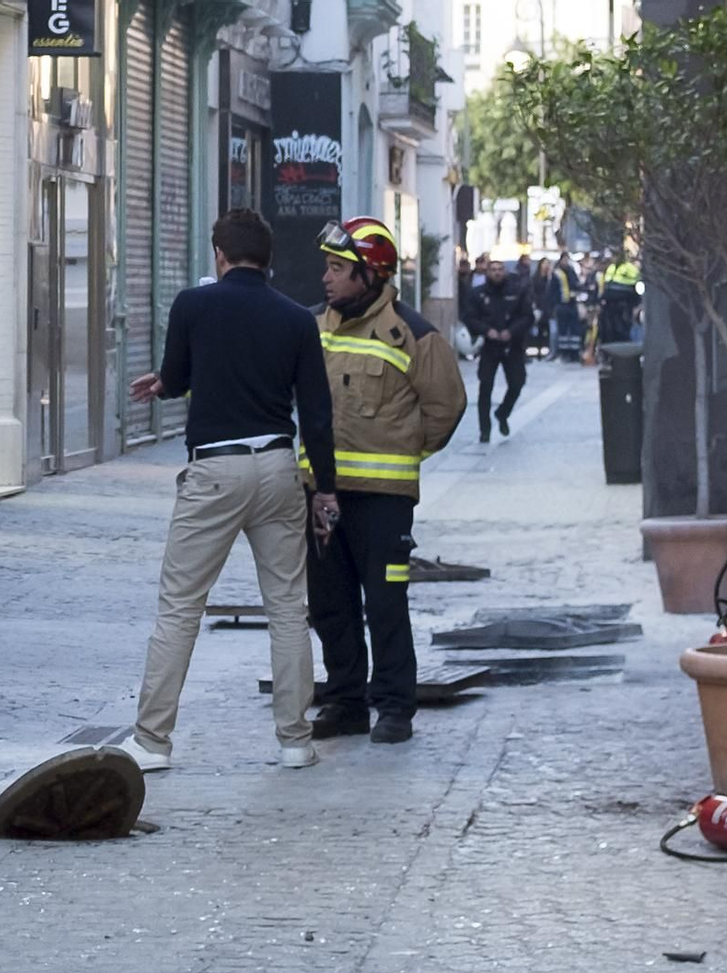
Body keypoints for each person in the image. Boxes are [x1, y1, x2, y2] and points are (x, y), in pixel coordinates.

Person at [116, 208, 337, 772]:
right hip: (277, 465)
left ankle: (152, 740)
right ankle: (295, 741)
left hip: (214, 471)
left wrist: (167, 384)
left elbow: (182, 372)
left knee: (180, 607)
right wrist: (326, 490)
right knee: (288, 606)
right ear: (268, 259)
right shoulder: (296, 319)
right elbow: (316, 413)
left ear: (219, 254)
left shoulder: (194, 304)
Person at [307, 217, 467, 745]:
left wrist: (406, 450)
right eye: (328, 267)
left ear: (370, 275)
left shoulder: (414, 334)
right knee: (330, 603)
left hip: (384, 500)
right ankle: (345, 702)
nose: (327, 279)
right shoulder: (316, 327)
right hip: (321, 494)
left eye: (338, 269)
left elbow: (447, 405)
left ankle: (395, 706)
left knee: (385, 602)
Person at [463, 259, 534, 441]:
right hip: (490, 346)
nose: (497, 273)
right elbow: (470, 318)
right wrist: (487, 331)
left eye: (500, 269)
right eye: (493, 270)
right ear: (487, 273)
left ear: (505, 271)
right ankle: (484, 430)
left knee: (517, 383)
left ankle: (502, 413)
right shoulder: (478, 294)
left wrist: (511, 332)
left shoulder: (516, 292)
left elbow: (527, 316)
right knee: (485, 386)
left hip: (512, 345)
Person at [547, 252, 584, 363]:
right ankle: (564, 353)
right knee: (563, 330)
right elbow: (552, 291)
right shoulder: (557, 274)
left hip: (572, 305)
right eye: (564, 260)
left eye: (567, 260)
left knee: (574, 330)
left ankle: (574, 353)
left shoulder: (572, 272)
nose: (566, 262)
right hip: (561, 305)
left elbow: (577, 285)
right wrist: (554, 304)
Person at [599, 251, 643, 344]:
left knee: (623, 330)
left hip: (624, 305)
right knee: (609, 330)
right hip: (610, 306)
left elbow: (636, 288)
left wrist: (636, 304)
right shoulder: (611, 268)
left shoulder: (631, 269)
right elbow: (607, 286)